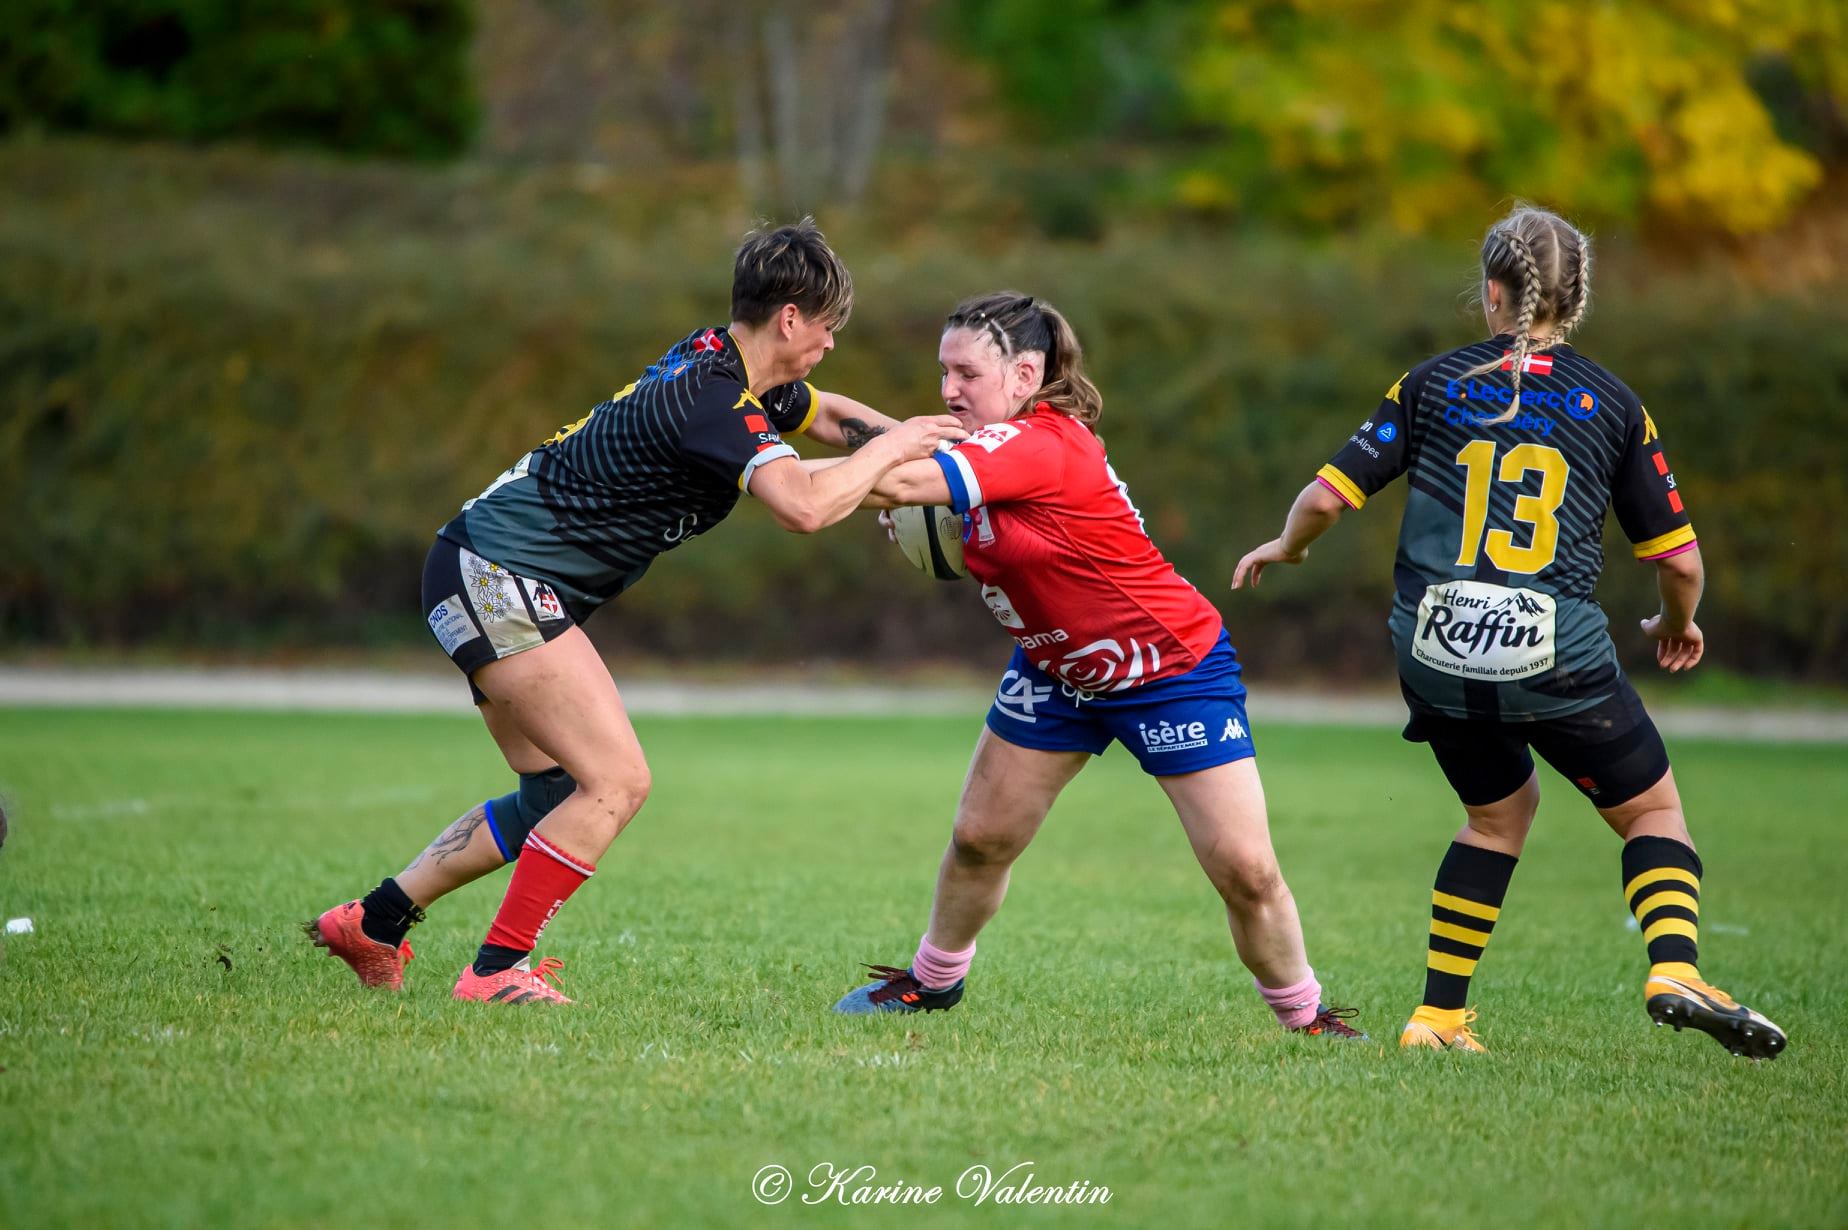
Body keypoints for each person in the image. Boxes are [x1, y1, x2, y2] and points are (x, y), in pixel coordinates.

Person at [305, 218, 965, 1004]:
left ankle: (373, 922)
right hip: (500, 574)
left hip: (475, 566)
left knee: (556, 793)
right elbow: (803, 507)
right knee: (615, 781)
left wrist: (954, 454)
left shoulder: (722, 365)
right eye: (827, 327)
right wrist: (897, 450)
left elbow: (824, 419)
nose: (829, 344)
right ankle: (493, 975)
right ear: (791, 317)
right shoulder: (711, 399)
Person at [1233, 205, 1786, 1059]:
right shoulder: (1613, 403)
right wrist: (1678, 625)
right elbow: (1679, 563)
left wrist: (1286, 546)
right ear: (1579, 298)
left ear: (1494, 292)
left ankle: (1439, 1018)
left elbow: (1323, 498)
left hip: (1435, 650)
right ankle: (1675, 967)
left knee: (1495, 818)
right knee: (1653, 812)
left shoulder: (1432, 383)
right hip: (1554, 654)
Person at [831, 292, 1364, 1039]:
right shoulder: (981, 444)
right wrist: (775, 416)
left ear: (1024, 374)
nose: (949, 391)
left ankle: (1307, 1020)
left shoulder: (1044, 444)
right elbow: (888, 454)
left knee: (1245, 869)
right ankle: (932, 983)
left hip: (1170, 669)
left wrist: (776, 473)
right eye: (942, 373)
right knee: (980, 838)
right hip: (1058, 671)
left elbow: (891, 480)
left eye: (966, 373)